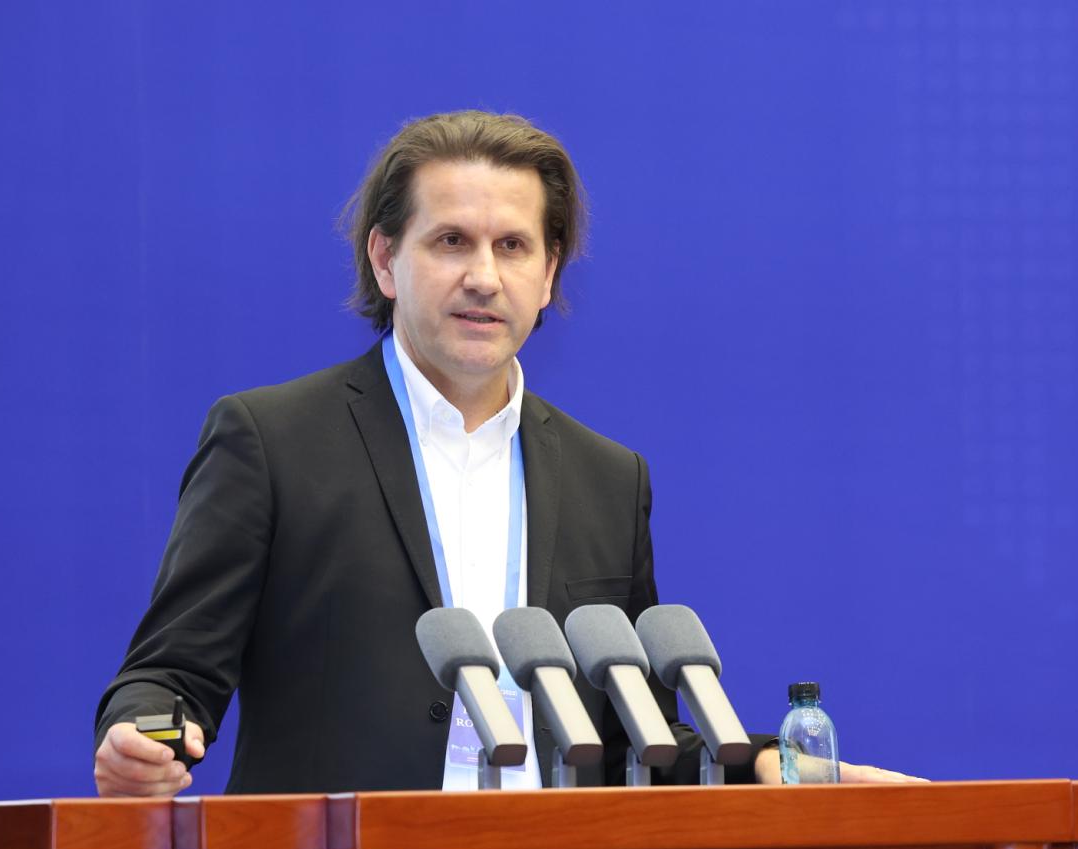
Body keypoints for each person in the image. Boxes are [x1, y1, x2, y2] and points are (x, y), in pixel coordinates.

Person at [93, 110, 911, 797]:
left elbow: (640, 737)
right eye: (451, 240)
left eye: (514, 247)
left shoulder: (607, 477)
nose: (483, 277)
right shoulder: (273, 440)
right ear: (385, 259)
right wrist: (142, 736)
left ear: (549, 273)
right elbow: (172, 673)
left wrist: (772, 765)